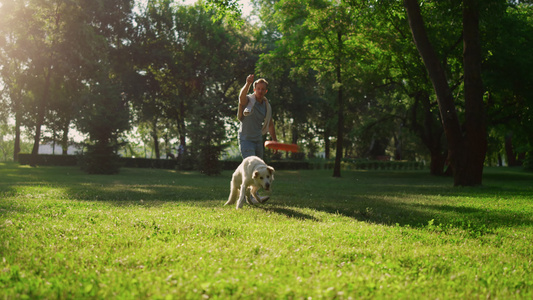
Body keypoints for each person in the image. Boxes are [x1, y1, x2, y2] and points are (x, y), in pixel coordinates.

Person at [237, 74, 277, 159]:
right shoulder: (249, 101)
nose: (260, 91)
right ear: (254, 90)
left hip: (258, 140)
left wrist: (274, 141)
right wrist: (248, 83)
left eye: (262, 89)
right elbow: (241, 98)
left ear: (266, 91)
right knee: (252, 165)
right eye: (258, 89)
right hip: (246, 140)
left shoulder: (267, 106)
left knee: (259, 168)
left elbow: (270, 124)